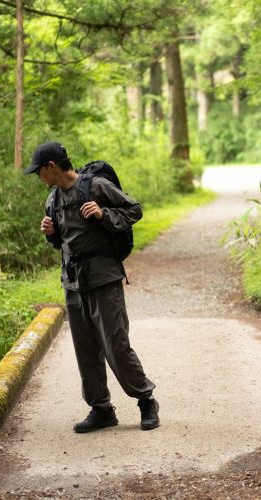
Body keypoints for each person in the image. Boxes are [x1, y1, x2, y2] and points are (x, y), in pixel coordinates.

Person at [24, 141, 159, 433]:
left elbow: (134, 210)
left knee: (116, 345)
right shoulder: (52, 200)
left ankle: (146, 400)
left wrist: (103, 214)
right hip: (73, 283)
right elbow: (63, 243)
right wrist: (51, 234)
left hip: (104, 278)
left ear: (51, 166)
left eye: (39, 171)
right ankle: (101, 409)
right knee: (85, 349)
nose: (38, 177)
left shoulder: (95, 186)